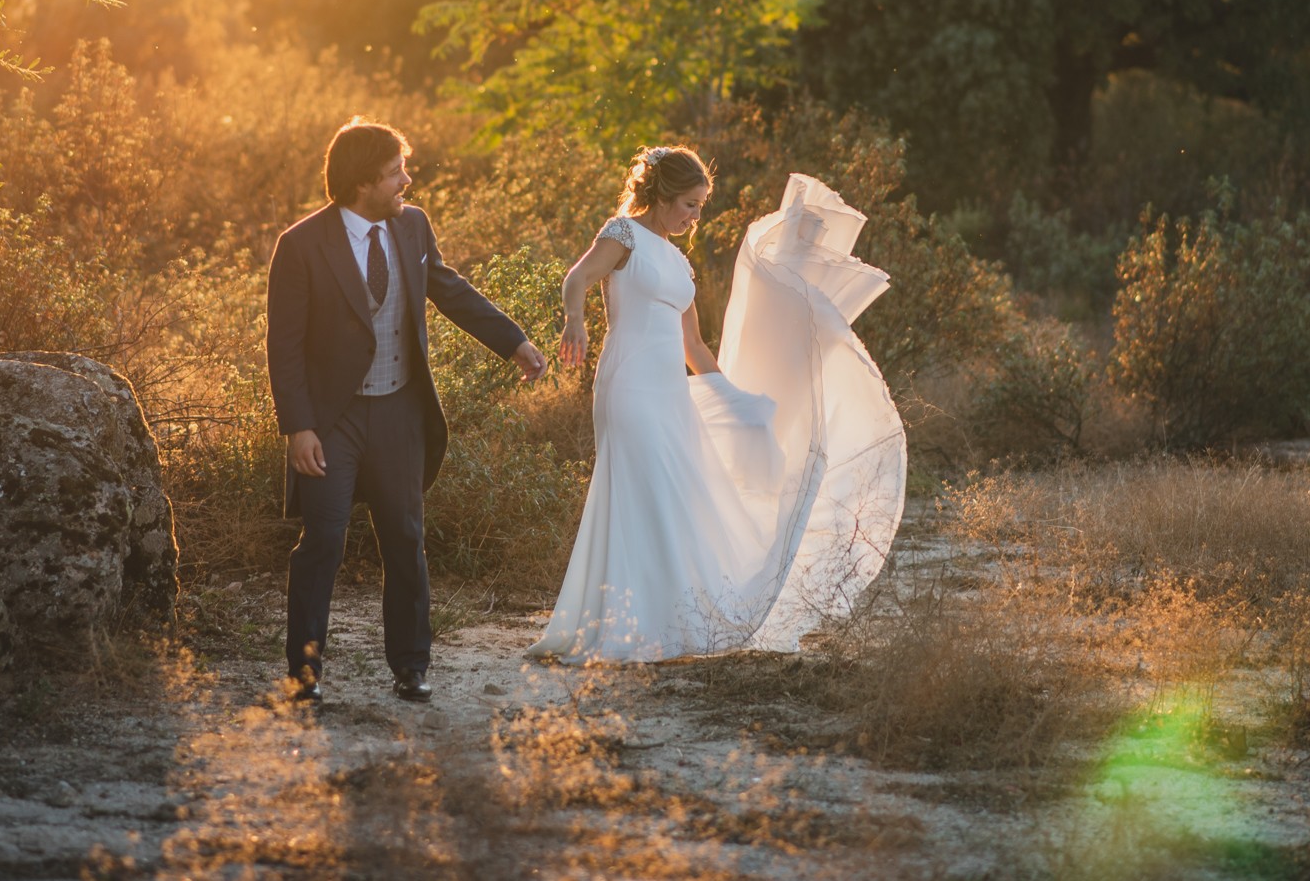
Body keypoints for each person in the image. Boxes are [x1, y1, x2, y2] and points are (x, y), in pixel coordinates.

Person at [528, 147, 906, 664]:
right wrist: (576, 319)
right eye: (688, 204)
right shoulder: (622, 234)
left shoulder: (680, 262)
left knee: (674, 494)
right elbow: (576, 280)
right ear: (660, 196)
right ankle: (625, 626)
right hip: (627, 383)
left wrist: (737, 400)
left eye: (701, 206)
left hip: (668, 390)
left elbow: (695, 346)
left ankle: (661, 619)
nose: (694, 216)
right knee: (645, 489)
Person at [266, 119, 548, 705]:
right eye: (396, 172)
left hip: (399, 410)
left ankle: (412, 666)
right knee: (323, 541)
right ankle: (306, 673)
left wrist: (514, 341)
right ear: (363, 182)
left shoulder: (412, 225)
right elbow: (284, 345)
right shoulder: (300, 245)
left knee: (405, 537)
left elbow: (448, 288)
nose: (407, 180)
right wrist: (298, 427)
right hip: (331, 420)